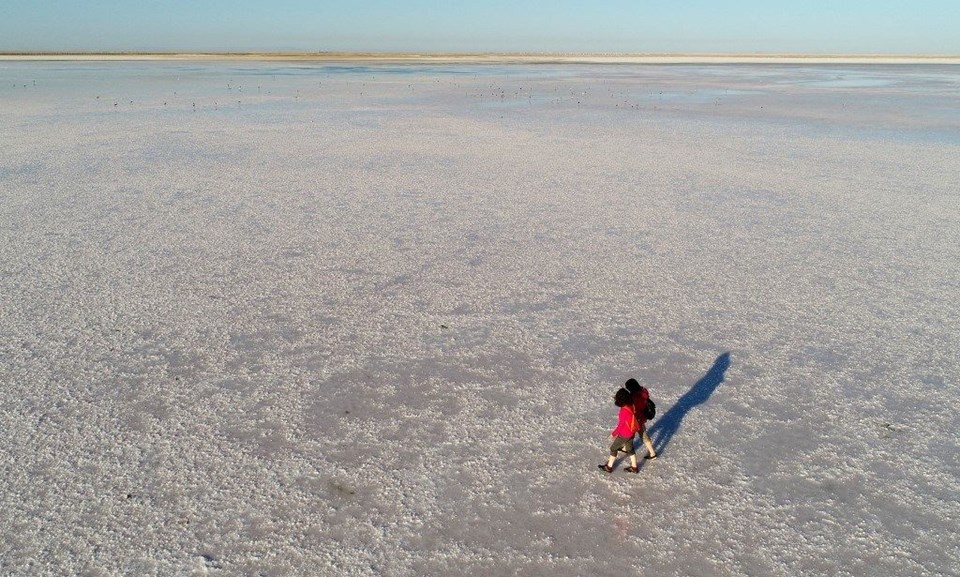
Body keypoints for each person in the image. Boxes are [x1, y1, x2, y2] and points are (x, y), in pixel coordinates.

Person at [599, 388, 640, 474]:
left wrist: (613, 434)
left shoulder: (623, 411)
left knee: (613, 448)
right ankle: (634, 467)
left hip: (624, 434)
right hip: (632, 431)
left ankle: (609, 467)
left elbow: (620, 425)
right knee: (629, 448)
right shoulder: (631, 405)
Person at [625, 378, 657, 460]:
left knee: (637, 434)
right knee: (641, 434)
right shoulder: (643, 392)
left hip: (636, 419)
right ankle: (652, 453)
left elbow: (633, 408)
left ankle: (652, 453)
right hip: (642, 418)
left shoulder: (635, 397)